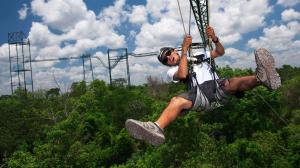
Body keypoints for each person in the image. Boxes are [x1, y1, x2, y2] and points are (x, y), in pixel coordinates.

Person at [125, 26, 281, 146]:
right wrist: (185, 50)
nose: (169, 59)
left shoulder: (199, 56)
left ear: (174, 50)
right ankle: (156, 128)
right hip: (200, 95)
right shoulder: (172, 71)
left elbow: (220, 52)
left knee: (232, 83)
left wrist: (214, 38)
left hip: (217, 87)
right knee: (176, 101)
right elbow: (183, 75)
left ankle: (262, 78)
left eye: (169, 54)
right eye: (166, 60)